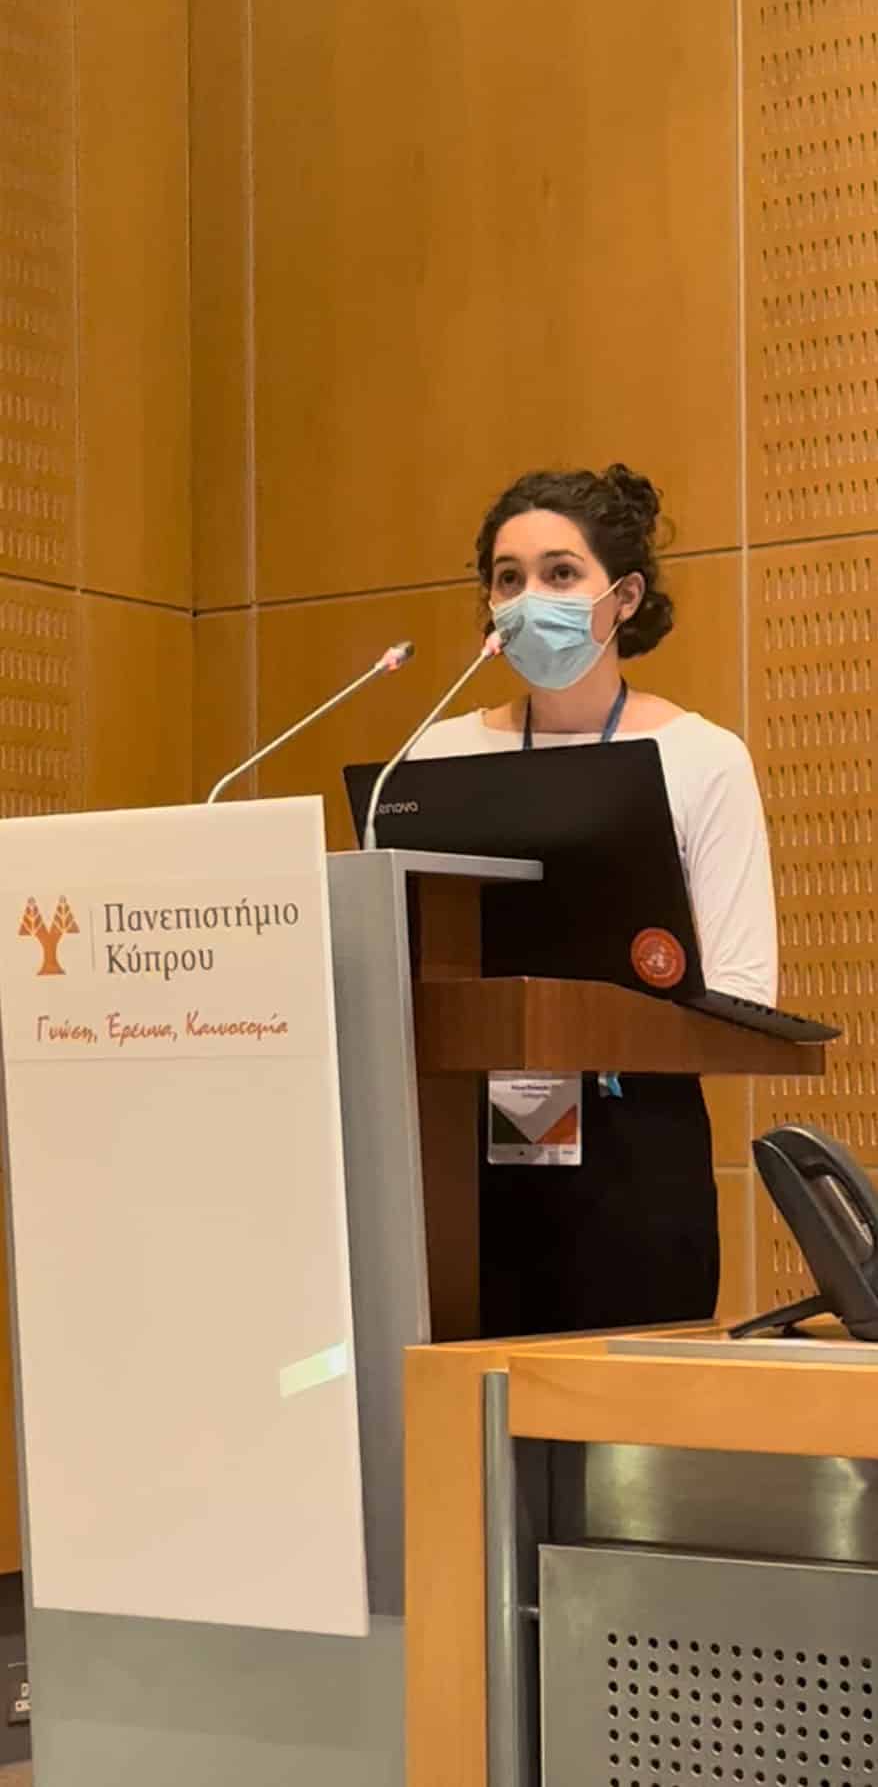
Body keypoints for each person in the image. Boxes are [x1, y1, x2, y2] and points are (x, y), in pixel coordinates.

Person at [409, 465, 778, 1335]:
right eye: (508, 578)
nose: (528, 599)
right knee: (466, 1402)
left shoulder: (702, 757)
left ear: (624, 598)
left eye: (561, 573)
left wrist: (573, 1021)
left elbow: (744, 993)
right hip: (460, 1160)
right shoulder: (431, 759)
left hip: (634, 1151)